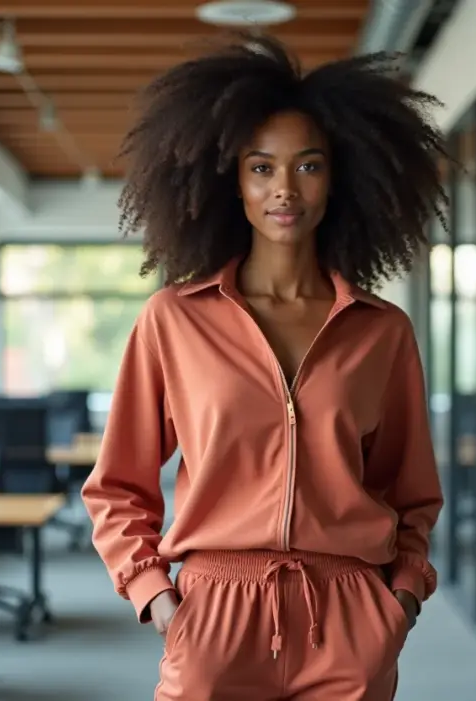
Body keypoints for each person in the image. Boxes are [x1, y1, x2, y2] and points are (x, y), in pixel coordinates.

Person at [82, 32, 448, 701]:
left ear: (339, 178)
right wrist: (159, 599)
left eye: (308, 166)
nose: (285, 189)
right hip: (212, 614)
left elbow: (412, 492)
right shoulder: (175, 319)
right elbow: (117, 486)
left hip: (347, 618)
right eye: (262, 167)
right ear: (233, 180)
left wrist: (398, 604)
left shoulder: (382, 332)